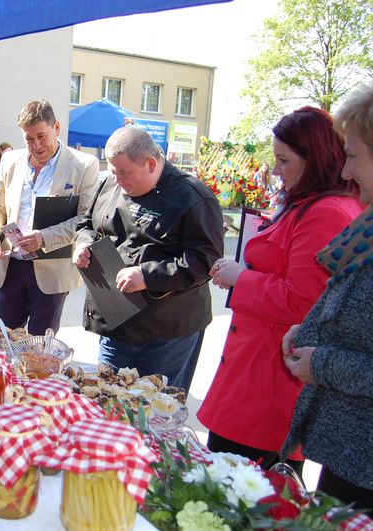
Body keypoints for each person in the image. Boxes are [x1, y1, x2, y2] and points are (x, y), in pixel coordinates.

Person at [198, 107, 362, 470]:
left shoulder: (326, 212)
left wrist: (243, 278)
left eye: (283, 160)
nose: (274, 170)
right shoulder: (311, 203)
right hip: (258, 376)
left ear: (315, 160)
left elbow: (305, 301)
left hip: (268, 387)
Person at [73, 126, 223, 390]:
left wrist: (147, 275)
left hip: (166, 332)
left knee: (152, 411)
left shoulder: (193, 197)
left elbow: (205, 261)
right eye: (113, 170)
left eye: (124, 172)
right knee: (108, 400)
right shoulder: (109, 184)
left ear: (151, 164)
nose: (117, 179)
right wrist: (82, 244)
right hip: (115, 322)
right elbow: (86, 224)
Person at [280, 86, 373, 509]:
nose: (346, 171)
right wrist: (311, 330)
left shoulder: (335, 211)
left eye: (353, 155)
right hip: (349, 459)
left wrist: (322, 362)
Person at [0, 100, 98, 333]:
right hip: (11, 267)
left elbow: (86, 220)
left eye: (41, 136)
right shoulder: (10, 161)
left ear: (56, 127)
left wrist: (44, 237)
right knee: (4, 339)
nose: (35, 145)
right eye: (28, 139)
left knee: (39, 351)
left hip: (52, 273)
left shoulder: (84, 165)